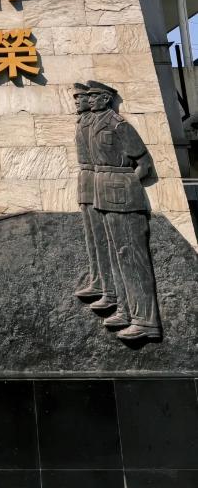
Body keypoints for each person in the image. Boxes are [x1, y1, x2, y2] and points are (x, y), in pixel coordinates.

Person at [87, 80, 162, 342]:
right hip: (105, 195)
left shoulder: (119, 125)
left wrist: (126, 184)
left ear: (106, 98)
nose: (90, 100)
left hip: (124, 198)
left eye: (94, 96)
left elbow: (144, 164)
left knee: (133, 257)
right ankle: (126, 310)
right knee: (117, 254)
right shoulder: (94, 123)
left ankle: (146, 321)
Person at [73, 82, 116, 310]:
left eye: (81, 98)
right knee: (92, 236)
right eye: (81, 98)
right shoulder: (83, 121)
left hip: (98, 177)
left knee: (102, 237)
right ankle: (98, 281)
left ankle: (110, 289)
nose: (80, 102)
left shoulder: (96, 122)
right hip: (86, 178)